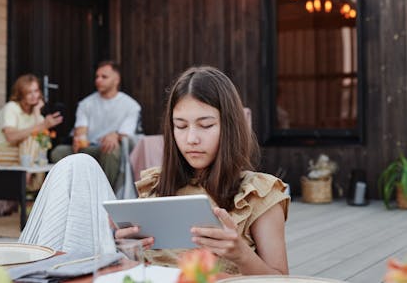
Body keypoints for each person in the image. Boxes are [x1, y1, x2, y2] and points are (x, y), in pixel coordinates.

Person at [20, 66, 289, 276]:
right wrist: (122, 242)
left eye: (205, 125)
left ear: (229, 126)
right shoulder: (156, 184)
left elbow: (282, 280)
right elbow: (135, 261)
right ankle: (34, 274)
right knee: (76, 165)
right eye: (180, 126)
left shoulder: (257, 192)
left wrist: (241, 254)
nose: (191, 138)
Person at [50, 60, 141, 189]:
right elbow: (81, 130)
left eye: (104, 77)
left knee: (110, 150)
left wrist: (115, 135)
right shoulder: (86, 104)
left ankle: (105, 195)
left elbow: (126, 134)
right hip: (89, 148)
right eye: (97, 77)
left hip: (111, 149)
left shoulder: (130, 105)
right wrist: (78, 138)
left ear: (116, 80)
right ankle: (72, 192)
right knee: (58, 152)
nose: (98, 80)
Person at [0, 74, 63, 165]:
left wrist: (37, 113)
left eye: (36, 91)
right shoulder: (11, 107)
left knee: (36, 154)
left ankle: (27, 177)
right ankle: (27, 177)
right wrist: (42, 125)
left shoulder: (36, 112)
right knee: (33, 155)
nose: (34, 96)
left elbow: (42, 143)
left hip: (21, 152)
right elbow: (11, 137)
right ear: (20, 94)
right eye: (28, 92)